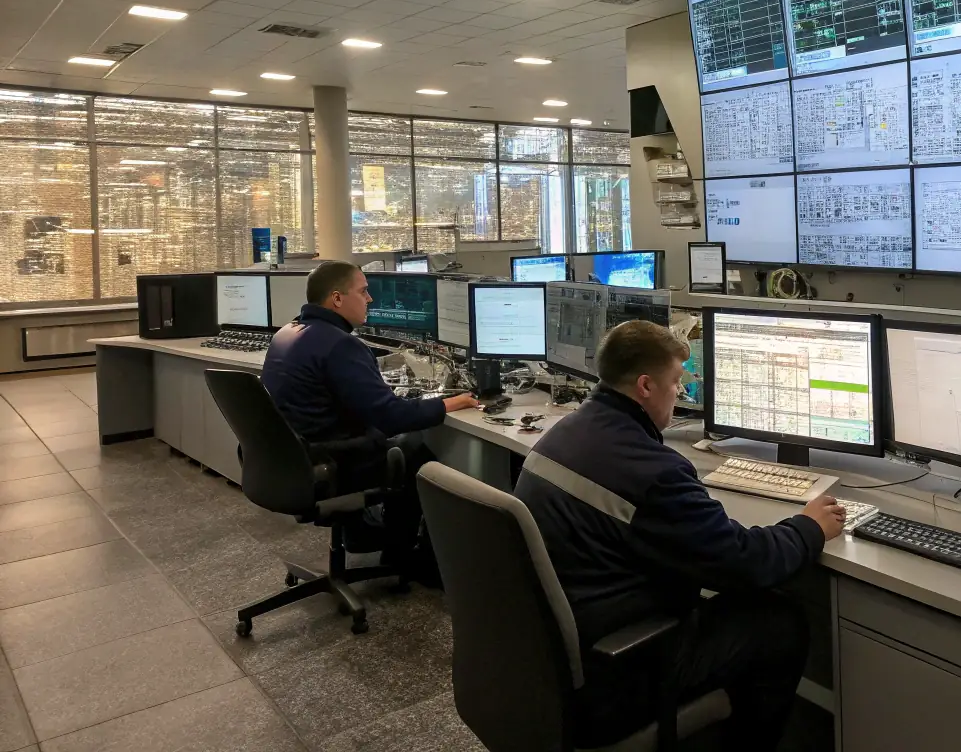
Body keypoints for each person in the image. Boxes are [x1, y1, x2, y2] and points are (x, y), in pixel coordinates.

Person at [514, 320, 845, 751]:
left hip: (554, 659)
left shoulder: (566, 432)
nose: (681, 395)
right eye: (676, 384)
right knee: (777, 621)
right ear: (646, 386)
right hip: (617, 672)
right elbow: (745, 563)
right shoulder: (653, 472)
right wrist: (808, 528)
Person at [262, 261, 478, 568]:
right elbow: (391, 416)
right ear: (337, 299)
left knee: (383, 437)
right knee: (412, 449)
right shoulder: (340, 345)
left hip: (290, 461)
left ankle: (361, 532)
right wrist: (449, 404)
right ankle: (405, 554)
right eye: (363, 291)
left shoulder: (288, 332)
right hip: (329, 462)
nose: (370, 299)